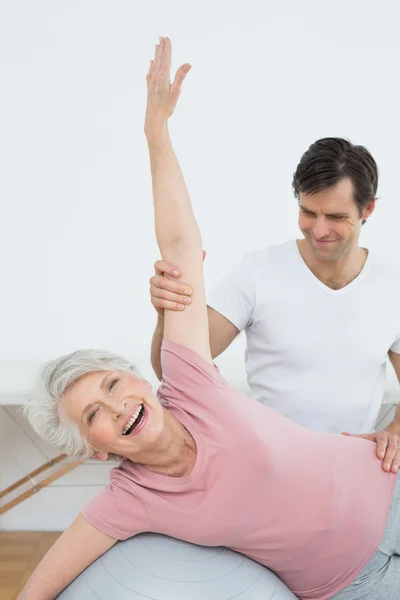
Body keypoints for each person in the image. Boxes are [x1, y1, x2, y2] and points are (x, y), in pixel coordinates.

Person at [19, 37, 400, 600]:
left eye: (110, 384)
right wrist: (166, 311)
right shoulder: (127, 501)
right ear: (95, 450)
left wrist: (155, 132)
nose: (118, 405)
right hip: (353, 581)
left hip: (384, 485)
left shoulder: (190, 386)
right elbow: (37, 589)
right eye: (94, 414)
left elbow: (178, 242)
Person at [149, 138, 400, 473]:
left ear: (367, 209)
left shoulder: (392, 287)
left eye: (336, 216)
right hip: (269, 469)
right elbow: (172, 371)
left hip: (353, 471)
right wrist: (166, 312)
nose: (319, 229)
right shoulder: (257, 272)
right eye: (308, 212)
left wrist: (393, 435)